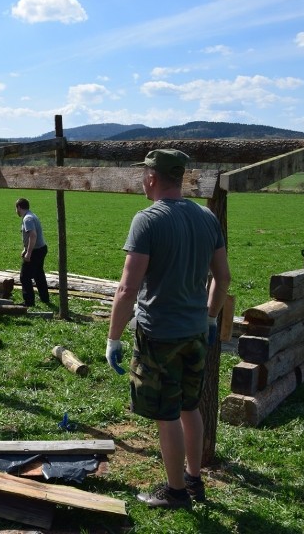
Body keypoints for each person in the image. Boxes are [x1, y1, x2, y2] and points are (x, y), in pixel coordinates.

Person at [106, 149, 231, 509]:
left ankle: (175, 492)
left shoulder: (148, 220)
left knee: (166, 414)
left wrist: (113, 337)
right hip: (195, 333)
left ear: (151, 178)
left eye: (143, 175)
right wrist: (209, 317)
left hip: (159, 334)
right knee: (191, 407)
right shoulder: (207, 218)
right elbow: (222, 278)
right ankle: (194, 478)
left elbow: (128, 288)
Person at [15, 197, 49, 306]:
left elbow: (33, 235)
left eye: (16, 208)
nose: (16, 211)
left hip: (35, 251)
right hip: (41, 248)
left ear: (19, 207)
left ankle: (29, 301)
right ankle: (44, 298)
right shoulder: (31, 215)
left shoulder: (27, 219)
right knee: (38, 274)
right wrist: (25, 249)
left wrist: (29, 253)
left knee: (24, 276)